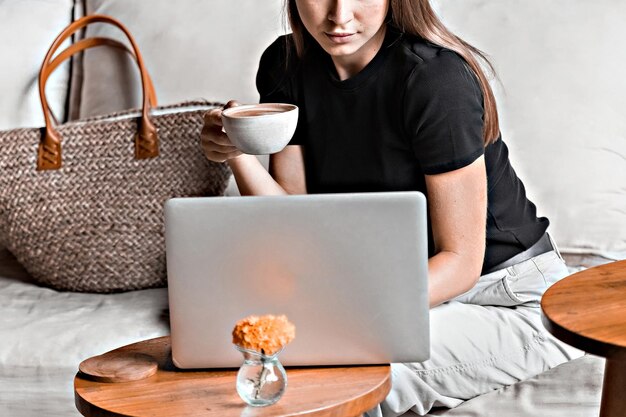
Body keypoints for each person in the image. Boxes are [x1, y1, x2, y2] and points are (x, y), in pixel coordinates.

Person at [201, 0, 582, 415]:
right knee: (258, 363)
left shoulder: (435, 78)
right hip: (401, 288)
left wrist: (339, 310)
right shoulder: (286, 63)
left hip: (508, 296)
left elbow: (460, 262)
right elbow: (294, 224)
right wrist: (236, 152)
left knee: (342, 383)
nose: (339, 15)